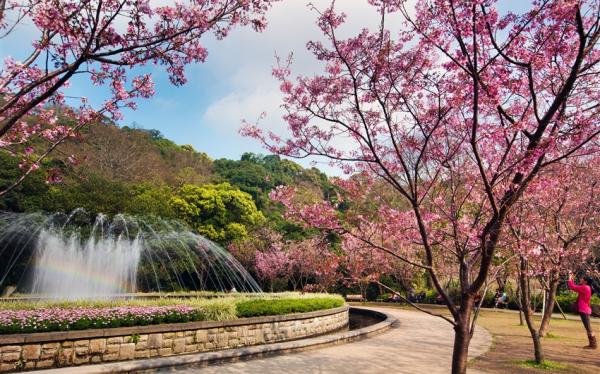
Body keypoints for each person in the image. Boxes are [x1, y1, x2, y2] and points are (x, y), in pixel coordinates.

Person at [568, 273, 597, 349]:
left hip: (584, 310)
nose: (580, 279)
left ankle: (593, 344)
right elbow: (576, 287)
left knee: (588, 327)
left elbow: (573, 287)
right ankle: (592, 344)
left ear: (585, 281)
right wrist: (572, 279)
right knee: (587, 327)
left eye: (582, 278)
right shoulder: (587, 287)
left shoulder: (585, 287)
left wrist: (570, 278)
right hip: (585, 310)